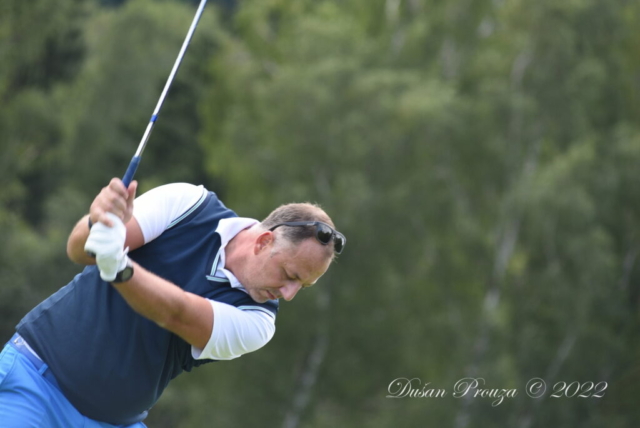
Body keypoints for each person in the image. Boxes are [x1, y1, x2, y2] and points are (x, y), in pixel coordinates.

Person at [0, 178, 345, 427]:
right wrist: (97, 222)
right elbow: (80, 250)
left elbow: (176, 313)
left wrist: (119, 266)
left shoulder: (258, 321)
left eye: (303, 286)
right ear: (264, 242)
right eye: (289, 275)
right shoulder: (190, 204)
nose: (289, 293)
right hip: (34, 381)